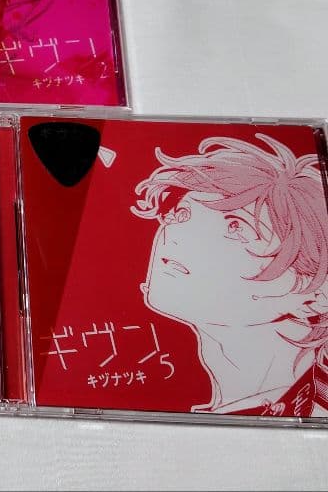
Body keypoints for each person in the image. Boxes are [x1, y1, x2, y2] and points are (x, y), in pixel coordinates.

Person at [132, 133, 328, 416]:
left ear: (317, 294)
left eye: (237, 227)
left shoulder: (313, 411)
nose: (178, 234)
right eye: (182, 214)